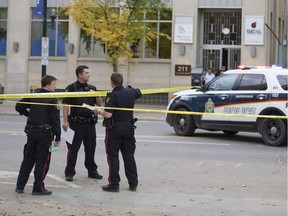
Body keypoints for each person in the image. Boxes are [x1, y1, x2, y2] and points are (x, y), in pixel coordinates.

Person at [94, 72, 142, 192]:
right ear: (122, 81)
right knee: (129, 156)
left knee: (113, 157)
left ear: (112, 82)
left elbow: (108, 114)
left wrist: (98, 111)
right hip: (128, 129)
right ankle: (133, 183)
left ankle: (114, 184)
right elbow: (139, 92)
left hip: (115, 130)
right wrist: (130, 88)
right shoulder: (130, 92)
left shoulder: (112, 95)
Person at [15, 75, 61, 195]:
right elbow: (55, 120)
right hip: (44, 134)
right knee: (42, 161)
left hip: (31, 131)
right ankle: (38, 188)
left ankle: (20, 186)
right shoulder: (51, 99)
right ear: (48, 85)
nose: (55, 87)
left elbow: (18, 106)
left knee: (28, 159)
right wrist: (58, 137)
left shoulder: (33, 95)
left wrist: (28, 114)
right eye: (54, 84)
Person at [62, 65, 103, 182]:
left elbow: (99, 104)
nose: (89, 75)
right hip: (76, 123)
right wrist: (65, 121)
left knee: (91, 148)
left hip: (90, 123)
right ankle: (69, 172)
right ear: (80, 74)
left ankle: (92, 170)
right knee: (73, 149)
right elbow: (65, 106)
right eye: (86, 73)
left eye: (89, 73)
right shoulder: (71, 88)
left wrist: (95, 94)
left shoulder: (92, 87)